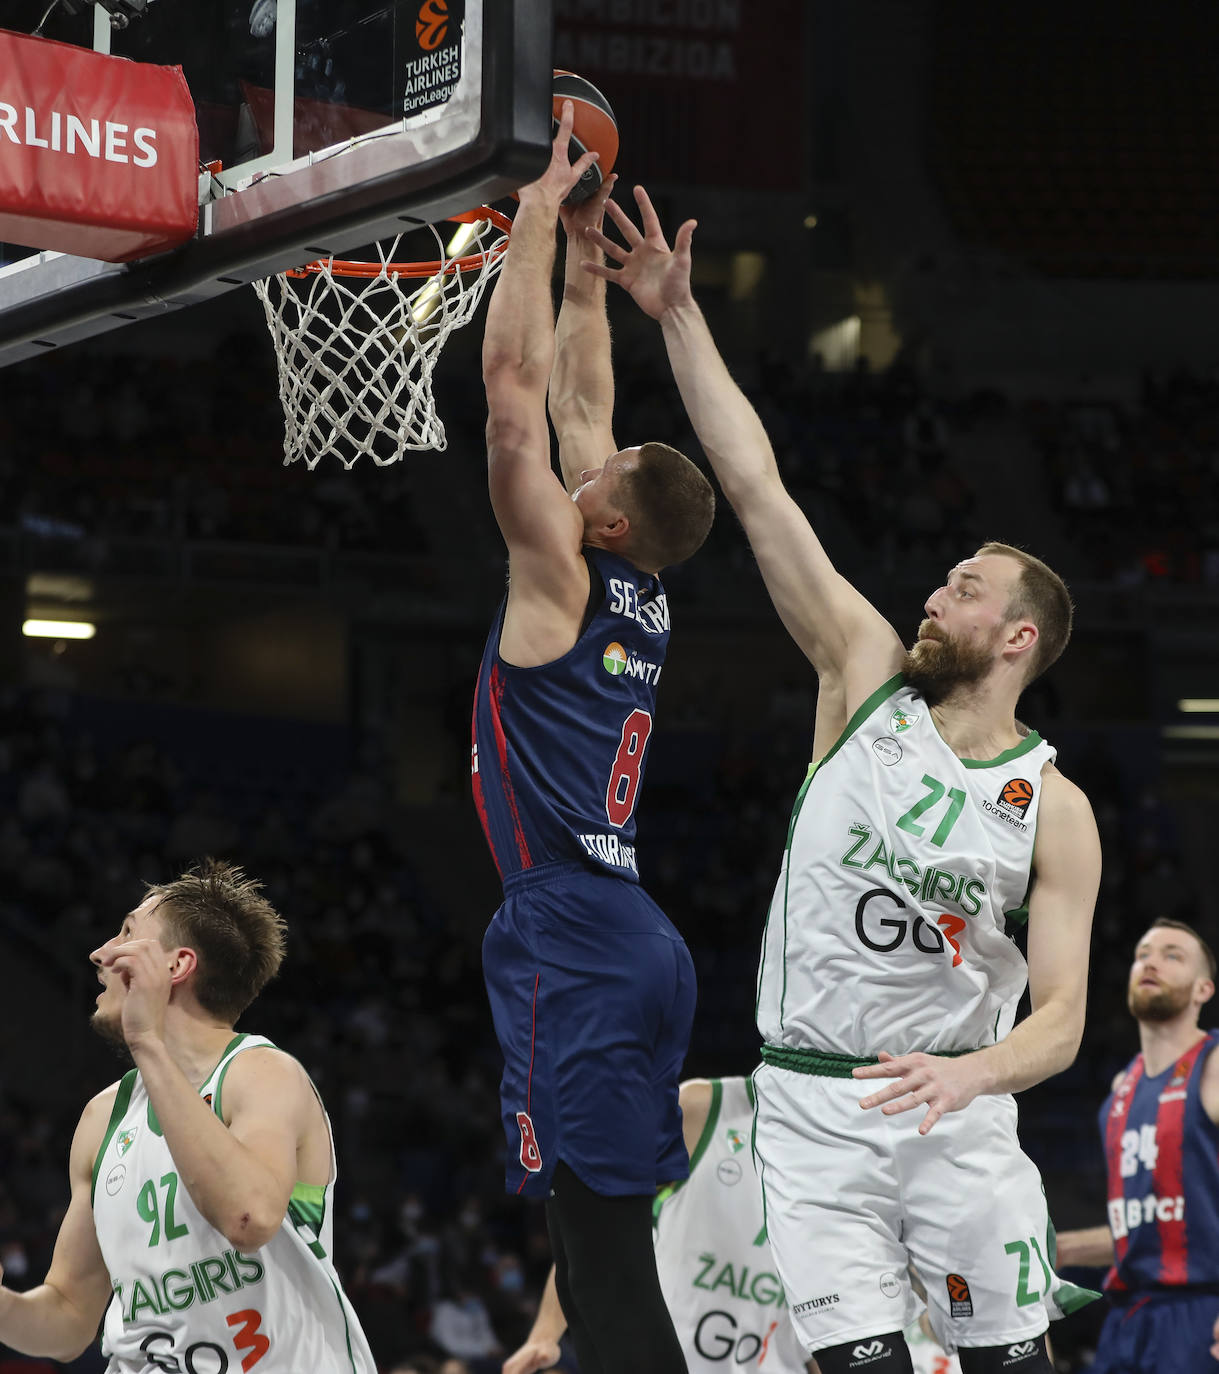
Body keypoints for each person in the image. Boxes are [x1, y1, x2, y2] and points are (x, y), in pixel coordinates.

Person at [583, 188, 1101, 1374]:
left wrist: (965, 1071)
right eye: (943, 578)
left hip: (958, 1119)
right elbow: (758, 485)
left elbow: (1064, 1021)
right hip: (812, 1105)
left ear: (1018, 638)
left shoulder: (1056, 809)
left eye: (966, 587)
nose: (935, 593)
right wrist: (674, 317)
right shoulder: (864, 677)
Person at [472, 106, 715, 1374]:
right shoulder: (638, 584)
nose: (582, 472)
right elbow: (580, 392)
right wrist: (576, 260)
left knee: (608, 1279)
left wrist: (521, 205)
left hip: (571, 928)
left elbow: (516, 398)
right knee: (602, 1264)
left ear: (605, 524)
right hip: (632, 935)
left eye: (596, 483)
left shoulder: (559, 574)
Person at [0, 860, 377, 1372]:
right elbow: (68, 1318)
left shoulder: (261, 1074)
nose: (101, 952)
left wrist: (147, 1041)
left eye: (127, 933)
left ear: (176, 967)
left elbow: (249, 1217)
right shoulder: (102, 1118)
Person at [1056, 918, 1219, 1373]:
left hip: (1201, 1314)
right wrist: (1058, 1250)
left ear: (1203, 990)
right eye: (1143, 953)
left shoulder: (1213, 1064)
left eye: (1173, 955)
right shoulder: (1120, 1091)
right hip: (1128, 1321)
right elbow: (1145, 1232)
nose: (1152, 962)